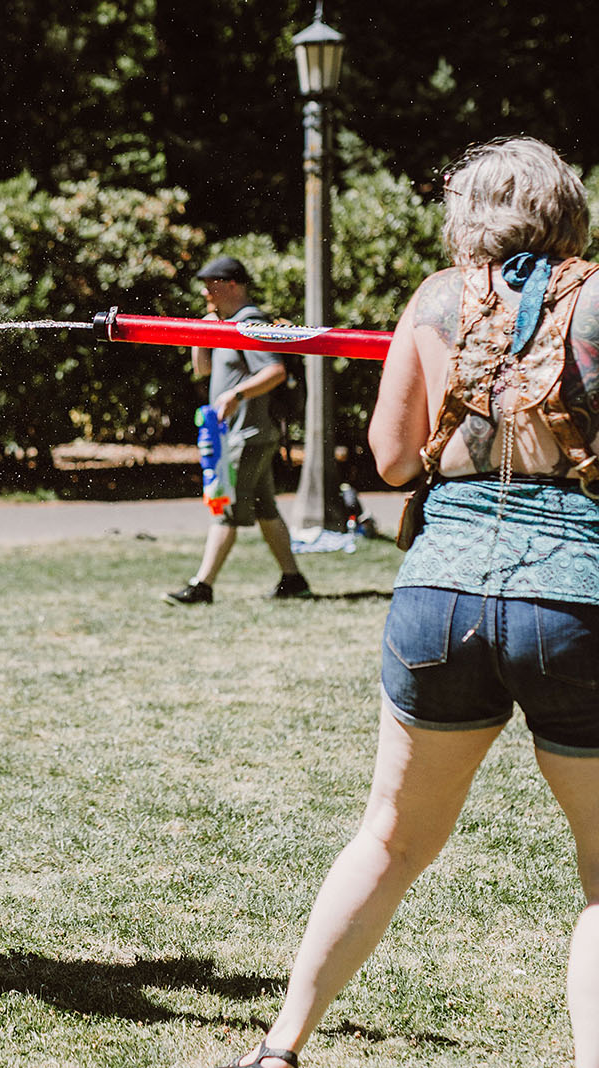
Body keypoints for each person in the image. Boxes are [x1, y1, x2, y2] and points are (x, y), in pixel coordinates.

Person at [216, 137, 599, 1068]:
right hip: (572, 601)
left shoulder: (431, 300)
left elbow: (392, 461)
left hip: (439, 594)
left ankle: (280, 1049)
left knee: (389, 839)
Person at [164, 254, 309, 605]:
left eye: (211, 284)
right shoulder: (228, 324)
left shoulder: (251, 322)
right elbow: (202, 370)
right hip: (239, 433)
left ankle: (203, 585)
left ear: (232, 284)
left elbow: (274, 371)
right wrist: (202, 333)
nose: (204, 292)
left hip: (249, 433)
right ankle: (293, 579)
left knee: (225, 505)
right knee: (265, 509)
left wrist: (237, 393)